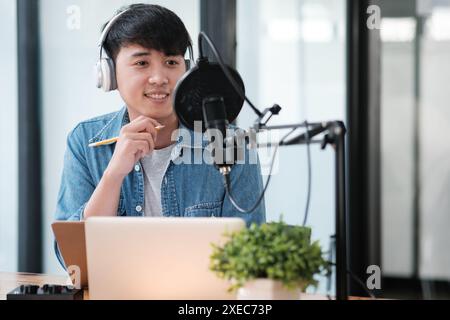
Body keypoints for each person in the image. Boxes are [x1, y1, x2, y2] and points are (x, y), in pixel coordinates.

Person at [54, 3, 265, 265]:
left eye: (171, 62)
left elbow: (250, 260)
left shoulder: (232, 146)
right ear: (108, 73)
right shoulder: (85, 143)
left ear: (186, 70)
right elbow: (73, 261)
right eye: (142, 63)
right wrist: (114, 174)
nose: (159, 77)